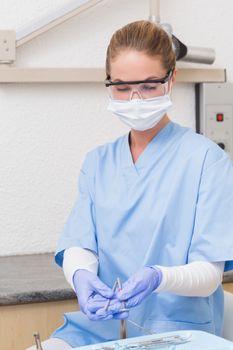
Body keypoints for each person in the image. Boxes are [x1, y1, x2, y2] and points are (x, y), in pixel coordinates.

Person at [26, 20, 233, 350]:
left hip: (176, 332)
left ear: (171, 80)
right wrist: (81, 276)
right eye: (122, 88)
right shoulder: (98, 162)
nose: (135, 98)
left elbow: (209, 276)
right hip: (102, 327)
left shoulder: (207, 161)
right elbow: (81, 243)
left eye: (149, 86)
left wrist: (158, 277)